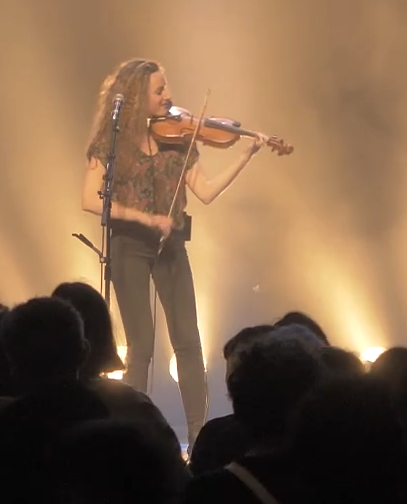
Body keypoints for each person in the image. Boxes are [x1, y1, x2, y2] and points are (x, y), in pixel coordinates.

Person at [79, 58, 267, 442]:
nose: (169, 97)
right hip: (128, 244)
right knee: (141, 345)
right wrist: (146, 220)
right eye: (159, 90)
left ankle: (199, 435)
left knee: (188, 339)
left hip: (172, 248)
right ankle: (133, 431)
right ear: (135, 98)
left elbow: (208, 192)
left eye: (167, 89)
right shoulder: (110, 143)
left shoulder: (179, 140)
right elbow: (89, 199)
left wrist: (245, 156)